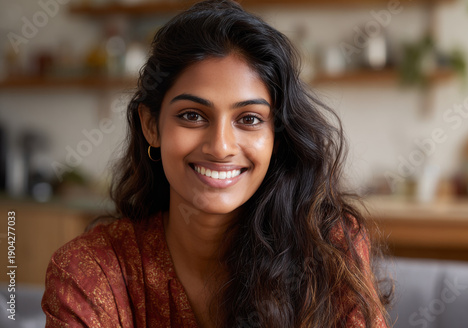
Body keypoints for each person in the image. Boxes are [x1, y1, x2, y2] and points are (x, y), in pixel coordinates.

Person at [42, 0, 391, 327]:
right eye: (192, 115)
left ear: (277, 137)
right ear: (151, 126)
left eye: (250, 119)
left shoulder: (329, 248)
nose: (221, 147)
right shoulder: (92, 270)